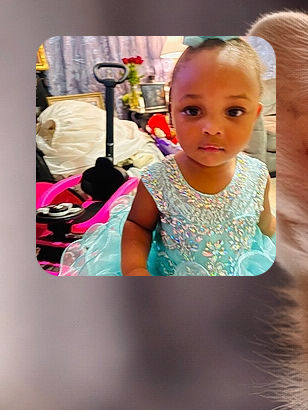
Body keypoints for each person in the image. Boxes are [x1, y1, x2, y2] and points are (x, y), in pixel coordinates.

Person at [60, 37, 275, 276]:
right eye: (193, 110)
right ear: (171, 112)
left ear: (255, 115)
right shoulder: (157, 178)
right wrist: (135, 268)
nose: (212, 128)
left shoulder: (258, 174)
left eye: (233, 111)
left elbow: (266, 226)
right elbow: (138, 225)